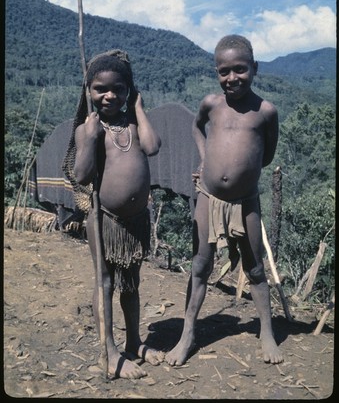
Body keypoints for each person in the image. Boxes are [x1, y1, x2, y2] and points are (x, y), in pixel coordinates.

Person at [165, 35, 283, 367]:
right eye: (224, 71)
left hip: (245, 201)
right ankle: (187, 333)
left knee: (255, 267)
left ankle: (267, 331)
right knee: (200, 265)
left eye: (240, 69)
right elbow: (196, 128)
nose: (232, 78)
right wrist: (205, 163)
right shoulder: (211, 104)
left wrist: (242, 174)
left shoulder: (265, 112)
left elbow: (267, 155)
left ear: (254, 68)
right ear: (217, 72)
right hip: (208, 196)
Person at [71, 49, 163, 379]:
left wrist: (138, 108)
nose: (110, 95)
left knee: (132, 284)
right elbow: (82, 175)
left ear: (129, 90)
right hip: (104, 218)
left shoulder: (134, 125)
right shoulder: (89, 129)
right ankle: (109, 352)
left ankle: (135, 340)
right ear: (89, 91)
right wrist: (90, 138)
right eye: (100, 89)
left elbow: (152, 147)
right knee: (105, 282)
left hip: (135, 222)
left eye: (119, 89)